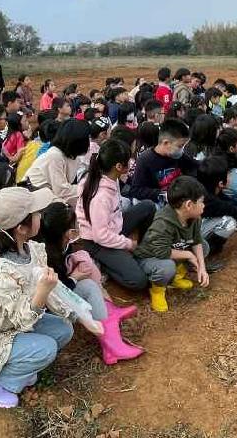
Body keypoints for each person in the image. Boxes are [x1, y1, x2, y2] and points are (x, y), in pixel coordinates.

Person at [0, 187, 74, 408]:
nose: (40, 216)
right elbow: (24, 318)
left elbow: (51, 290)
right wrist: (42, 291)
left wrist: (74, 310)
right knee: (47, 347)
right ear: (21, 228)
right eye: (35, 214)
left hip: (13, 323)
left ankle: (19, 364)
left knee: (64, 329)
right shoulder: (3, 271)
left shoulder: (31, 248)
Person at [39, 201, 142, 366]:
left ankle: (108, 313)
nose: (78, 226)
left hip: (62, 289)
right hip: (53, 305)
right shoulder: (48, 256)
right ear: (66, 233)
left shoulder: (59, 243)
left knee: (86, 268)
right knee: (88, 286)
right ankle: (111, 346)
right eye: (75, 225)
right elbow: (57, 292)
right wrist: (75, 277)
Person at [76, 138, 156, 293]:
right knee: (139, 281)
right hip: (97, 242)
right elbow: (101, 236)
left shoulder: (108, 176)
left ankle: (135, 252)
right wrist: (128, 244)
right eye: (128, 161)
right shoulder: (100, 197)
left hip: (114, 226)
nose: (132, 163)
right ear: (119, 166)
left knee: (148, 206)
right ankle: (105, 265)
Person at [133, 176, 209, 313]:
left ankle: (175, 278)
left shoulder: (194, 217)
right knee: (166, 267)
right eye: (201, 202)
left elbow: (197, 241)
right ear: (189, 205)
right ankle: (157, 290)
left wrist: (202, 268)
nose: (204, 205)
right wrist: (188, 254)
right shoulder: (163, 223)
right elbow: (161, 252)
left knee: (204, 247)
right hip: (150, 258)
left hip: (173, 251)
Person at [129, 118, 198, 204]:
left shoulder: (178, 156)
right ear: (166, 143)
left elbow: (195, 165)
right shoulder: (145, 160)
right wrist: (162, 194)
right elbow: (135, 190)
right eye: (180, 146)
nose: (182, 150)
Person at [22, 118, 88, 204]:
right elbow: (62, 191)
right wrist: (87, 188)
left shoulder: (72, 155)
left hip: (50, 192)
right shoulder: (55, 156)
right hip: (34, 194)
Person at [16, 116, 57, 183]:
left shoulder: (32, 143)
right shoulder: (49, 148)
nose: (29, 125)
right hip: (31, 183)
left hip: (20, 180)